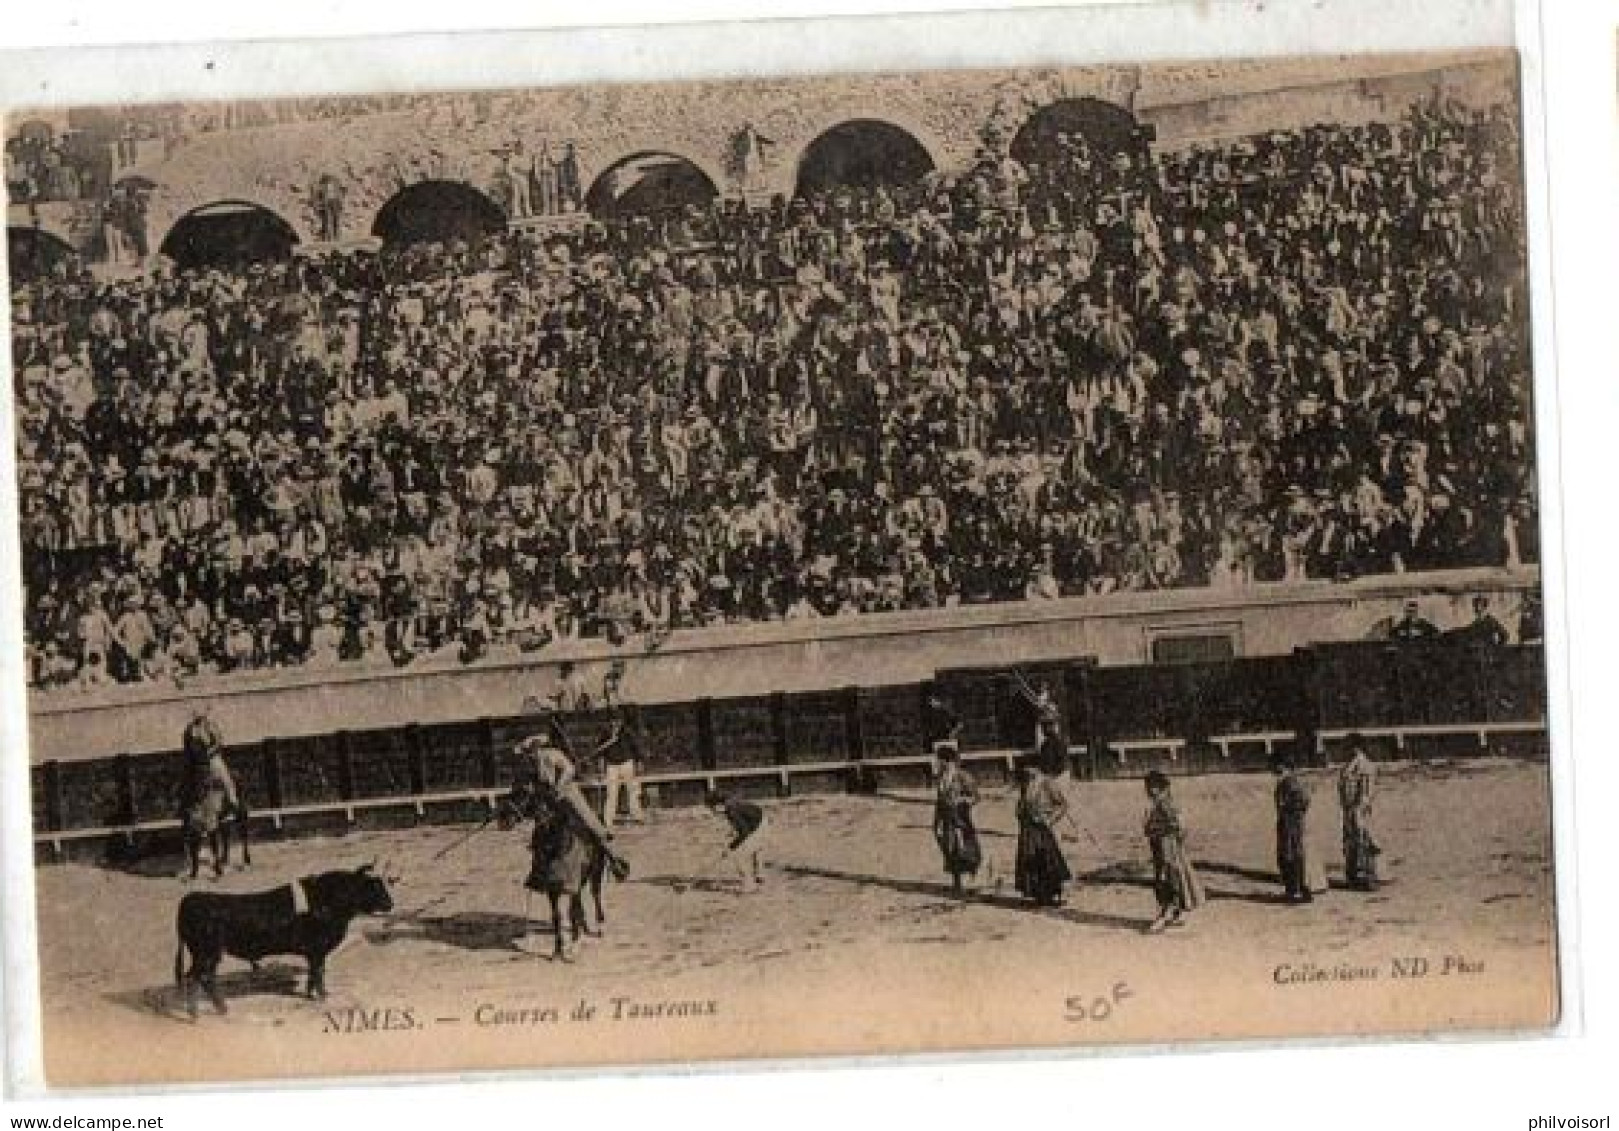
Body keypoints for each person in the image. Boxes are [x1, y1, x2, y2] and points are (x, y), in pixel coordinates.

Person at [177, 711, 241, 880]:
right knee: (183, 780)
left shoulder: (211, 727)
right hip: (194, 762)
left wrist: (208, 753)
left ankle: (233, 801)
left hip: (212, 759)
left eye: (201, 715)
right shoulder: (189, 730)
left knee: (225, 777)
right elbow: (185, 747)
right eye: (197, 715)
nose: (200, 717)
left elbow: (219, 743)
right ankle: (182, 806)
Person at [1142, 770, 1203, 932]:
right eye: (1147, 787)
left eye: (1151, 787)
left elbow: (1180, 826)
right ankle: (1177, 912)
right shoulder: (1159, 804)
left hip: (1167, 848)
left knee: (1166, 879)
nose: (1148, 790)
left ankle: (1164, 914)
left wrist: (1168, 838)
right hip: (1161, 847)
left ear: (1160, 788)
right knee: (1170, 878)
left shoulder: (1166, 804)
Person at [1014, 760, 1071, 907]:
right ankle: (1037, 894)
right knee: (1028, 861)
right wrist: (1020, 813)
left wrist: (1050, 819)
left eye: (1030, 768)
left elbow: (1063, 805)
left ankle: (1051, 895)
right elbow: (1022, 803)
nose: (1028, 771)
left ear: (1038, 768)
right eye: (1026, 769)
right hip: (1028, 829)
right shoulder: (1026, 783)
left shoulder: (1048, 783)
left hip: (1042, 829)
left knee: (1046, 860)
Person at [932, 744, 981, 894]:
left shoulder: (962, 776)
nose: (937, 763)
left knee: (964, 849)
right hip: (946, 818)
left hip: (961, 818)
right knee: (949, 848)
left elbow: (976, 797)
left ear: (947, 761)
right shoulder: (941, 778)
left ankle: (971, 878)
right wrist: (936, 820)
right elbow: (939, 800)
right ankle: (957, 882)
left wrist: (961, 801)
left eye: (939, 760)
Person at [699, 792, 770, 891]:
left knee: (738, 855)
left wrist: (731, 847)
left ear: (719, 805)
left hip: (758, 826)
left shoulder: (732, 810)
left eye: (712, 808)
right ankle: (760, 876)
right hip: (762, 821)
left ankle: (749, 884)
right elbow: (743, 823)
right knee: (756, 850)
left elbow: (744, 832)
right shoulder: (730, 803)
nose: (712, 811)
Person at [1337, 734, 1380, 891]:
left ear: (1356, 747)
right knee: (1350, 842)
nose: (1345, 750)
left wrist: (1359, 811)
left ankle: (1369, 878)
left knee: (1364, 841)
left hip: (1360, 810)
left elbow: (1366, 793)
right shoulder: (1348, 766)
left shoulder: (1365, 766)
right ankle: (1353, 877)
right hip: (1348, 809)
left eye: (1347, 746)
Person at [1272, 752, 1313, 903]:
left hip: (1291, 824)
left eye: (1278, 766)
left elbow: (1303, 801)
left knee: (1291, 854)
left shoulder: (1290, 782)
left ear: (1284, 766)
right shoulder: (1287, 781)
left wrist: (1291, 813)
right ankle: (1295, 889)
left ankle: (1296, 890)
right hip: (1288, 822)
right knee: (1289, 854)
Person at [595, 708, 645, 827]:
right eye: (613, 720)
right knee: (611, 792)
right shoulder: (605, 733)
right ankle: (608, 820)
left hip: (627, 763)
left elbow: (636, 747)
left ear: (622, 721)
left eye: (618, 720)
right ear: (610, 721)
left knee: (632, 790)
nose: (616, 723)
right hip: (612, 765)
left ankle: (637, 816)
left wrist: (639, 761)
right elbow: (600, 750)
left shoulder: (627, 732)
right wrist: (601, 763)